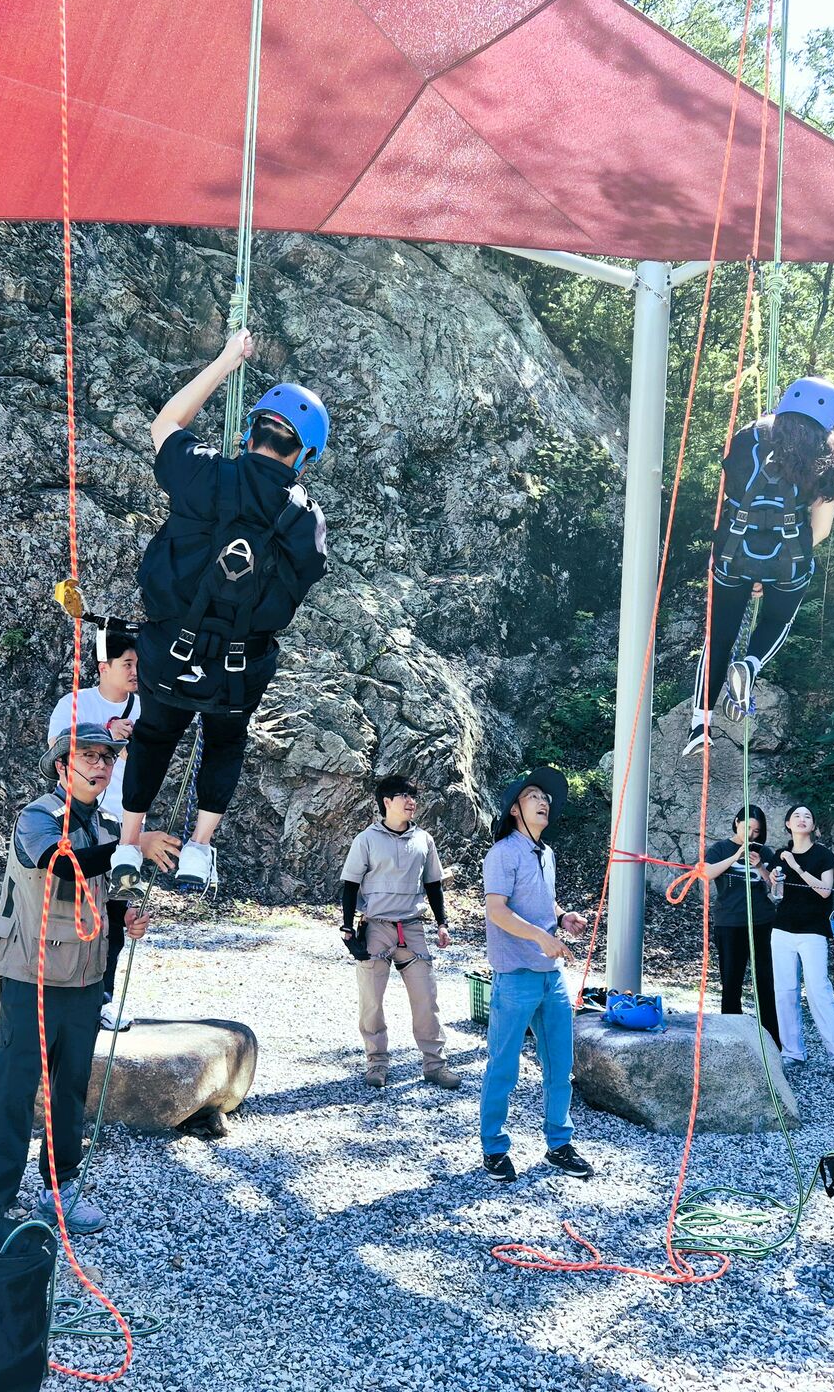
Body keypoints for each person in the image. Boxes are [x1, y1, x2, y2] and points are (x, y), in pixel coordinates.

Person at [108, 329, 330, 899]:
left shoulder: (203, 473)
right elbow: (303, 577)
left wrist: (227, 361)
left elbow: (166, 424)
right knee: (225, 740)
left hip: (167, 651)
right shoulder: (305, 519)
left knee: (155, 734)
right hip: (239, 666)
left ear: (247, 432)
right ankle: (199, 849)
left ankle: (128, 846)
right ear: (305, 456)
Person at [0, 721, 179, 1229]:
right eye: (89, 756)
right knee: (14, 1087)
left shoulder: (109, 827)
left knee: (70, 1091)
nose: (101, 765)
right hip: (32, 975)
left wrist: (125, 917)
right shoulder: (37, 817)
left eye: (107, 757)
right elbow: (61, 864)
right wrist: (134, 845)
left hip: (85, 980)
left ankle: (59, 1190)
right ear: (63, 766)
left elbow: (106, 896)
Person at [685, 377, 834, 754]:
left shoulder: (749, 436)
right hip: (787, 564)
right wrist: (771, 567)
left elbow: (728, 493)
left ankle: (699, 725)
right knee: (776, 621)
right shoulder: (827, 453)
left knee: (719, 635)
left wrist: (752, 566)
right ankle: (751, 665)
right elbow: (821, 529)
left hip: (733, 554)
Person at [478, 767, 594, 1182]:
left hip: (552, 976)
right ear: (514, 809)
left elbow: (545, 902)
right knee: (503, 1066)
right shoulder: (502, 853)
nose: (543, 801)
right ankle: (493, 1148)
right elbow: (496, 910)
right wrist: (541, 938)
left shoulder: (547, 853)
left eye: (545, 797)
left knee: (560, 1066)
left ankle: (559, 1144)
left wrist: (562, 918)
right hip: (515, 976)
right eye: (533, 796)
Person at [49, 623, 145, 1030]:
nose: (136, 671)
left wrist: (131, 746)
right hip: (79, 821)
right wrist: (106, 734)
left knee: (119, 913)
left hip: (126, 825)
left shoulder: (146, 708)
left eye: (139, 664)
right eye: (128, 664)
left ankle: (104, 998)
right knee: (75, 911)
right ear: (104, 667)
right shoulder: (75, 702)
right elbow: (57, 751)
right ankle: (61, 994)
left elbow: (151, 765)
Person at [339, 775, 461, 1091]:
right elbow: (350, 884)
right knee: (371, 1000)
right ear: (386, 802)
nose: (411, 801)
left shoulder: (424, 840)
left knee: (426, 999)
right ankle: (376, 1063)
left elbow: (433, 884)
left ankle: (435, 1065)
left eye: (413, 796)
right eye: (403, 795)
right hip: (376, 927)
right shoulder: (366, 839)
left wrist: (442, 923)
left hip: (412, 927)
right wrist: (348, 927)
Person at [768, 802, 834, 1082]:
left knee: (819, 991)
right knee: (785, 991)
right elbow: (776, 895)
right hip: (782, 930)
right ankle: (792, 1052)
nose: (802, 819)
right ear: (787, 824)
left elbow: (825, 891)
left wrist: (796, 866)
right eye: (796, 815)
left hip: (813, 932)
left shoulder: (823, 855)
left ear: (814, 825)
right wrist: (774, 879)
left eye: (807, 815)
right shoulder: (779, 855)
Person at [697, 805, 781, 1049]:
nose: (751, 834)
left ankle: (771, 1041)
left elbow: (775, 887)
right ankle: (732, 1040)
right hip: (730, 921)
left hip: (762, 920)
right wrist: (736, 857)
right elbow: (706, 874)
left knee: (765, 980)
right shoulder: (720, 848)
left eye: (756, 831)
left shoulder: (764, 851)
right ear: (736, 822)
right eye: (747, 828)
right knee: (731, 981)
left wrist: (760, 866)